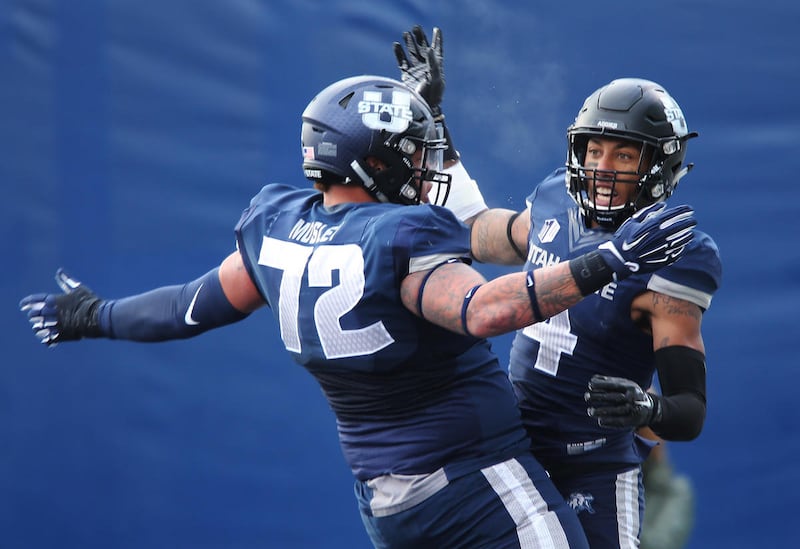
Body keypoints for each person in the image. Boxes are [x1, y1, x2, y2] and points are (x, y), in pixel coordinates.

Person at [19, 74, 695, 548]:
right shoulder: (400, 237)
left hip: (385, 499)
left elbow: (187, 307)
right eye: (410, 154)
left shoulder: (276, 228)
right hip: (476, 482)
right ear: (371, 163)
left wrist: (94, 314)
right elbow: (485, 309)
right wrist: (609, 259)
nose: (423, 169)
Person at [393, 26, 721, 548]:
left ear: (659, 165)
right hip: (510, 447)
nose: (602, 169)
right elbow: (476, 227)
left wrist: (648, 409)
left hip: (592, 467)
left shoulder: (674, 256)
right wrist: (432, 125)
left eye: (624, 156)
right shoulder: (553, 203)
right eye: (594, 151)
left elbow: (690, 408)